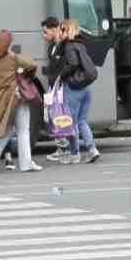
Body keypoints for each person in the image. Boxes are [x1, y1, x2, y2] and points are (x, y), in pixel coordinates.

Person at [0, 30, 42, 173]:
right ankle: (26, 164)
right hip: (16, 97)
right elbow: (32, 65)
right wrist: (24, 75)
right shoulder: (12, 57)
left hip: (0, 99)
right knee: (23, 131)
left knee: (6, 131)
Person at [57, 19, 100, 164]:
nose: (59, 32)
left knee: (70, 122)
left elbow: (73, 64)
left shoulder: (69, 46)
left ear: (66, 30)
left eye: (61, 30)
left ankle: (74, 154)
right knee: (82, 121)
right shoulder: (81, 44)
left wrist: (61, 76)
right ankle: (92, 149)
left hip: (74, 88)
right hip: (86, 87)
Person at [40, 16, 69, 163]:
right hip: (53, 87)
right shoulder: (52, 46)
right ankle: (62, 146)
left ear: (54, 29)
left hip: (61, 86)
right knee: (52, 116)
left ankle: (65, 148)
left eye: (45, 32)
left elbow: (65, 66)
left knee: (60, 116)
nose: (44, 36)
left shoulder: (65, 45)